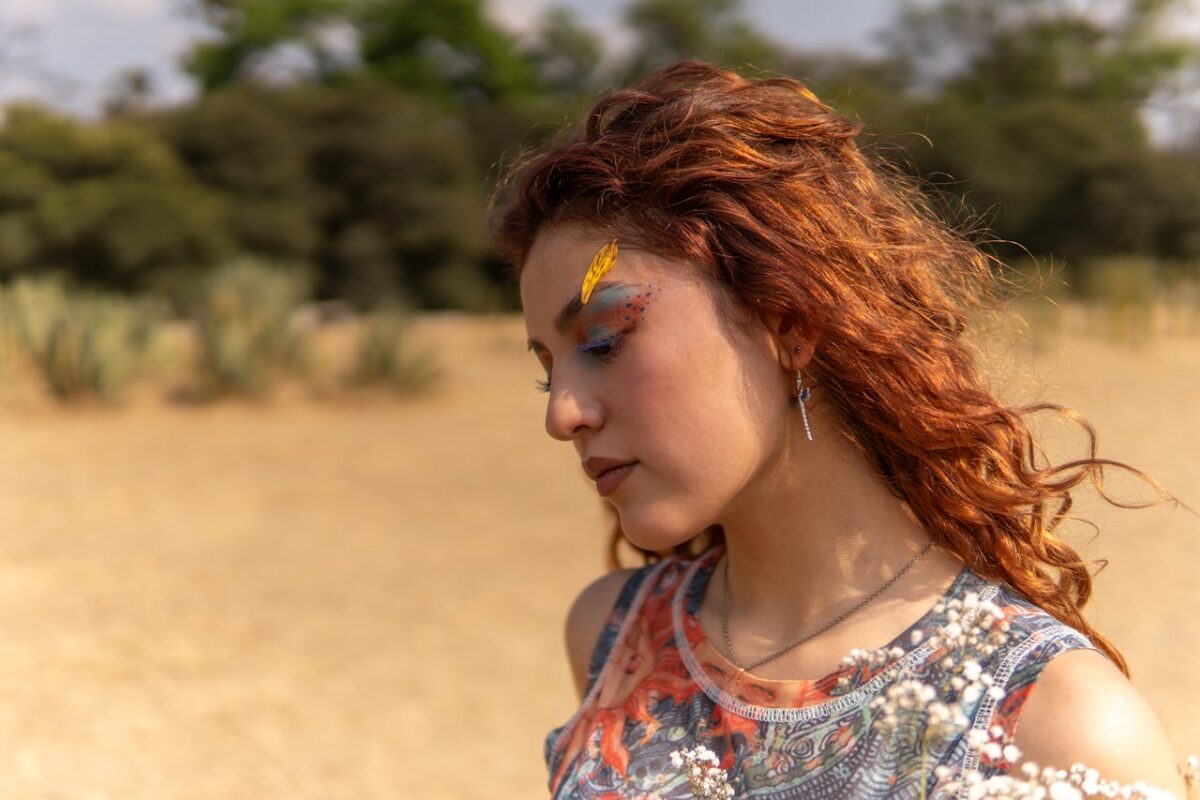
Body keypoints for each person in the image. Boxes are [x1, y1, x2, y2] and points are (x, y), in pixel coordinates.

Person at [493, 61, 1186, 798]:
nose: (561, 412)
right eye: (548, 369)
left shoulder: (1053, 724)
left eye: (603, 339)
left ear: (788, 320)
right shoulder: (612, 637)